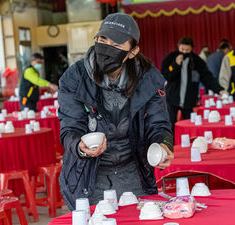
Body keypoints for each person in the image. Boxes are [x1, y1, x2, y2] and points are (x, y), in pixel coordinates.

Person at [58, 13, 174, 209]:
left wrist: (164, 144)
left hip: (134, 173)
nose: (106, 49)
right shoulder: (75, 78)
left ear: (132, 51)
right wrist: (80, 146)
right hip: (88, 176)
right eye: (103, 40)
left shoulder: (148, 79)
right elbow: (70, 128)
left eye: (116, 44)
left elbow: (158, 123)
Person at [161, 37, 225, 128]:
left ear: (191, 48)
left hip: (189, 99)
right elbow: (166, 75)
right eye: (182, 49)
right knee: (171, 123)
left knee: (188, 124)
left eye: (187, 50)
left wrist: (219, 90)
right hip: (173, 98)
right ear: (178, 46)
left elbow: (207, 77)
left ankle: (186, 141)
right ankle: (172, 141)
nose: (184, 51)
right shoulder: (170, 58)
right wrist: (175, 64)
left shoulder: (197, 61)